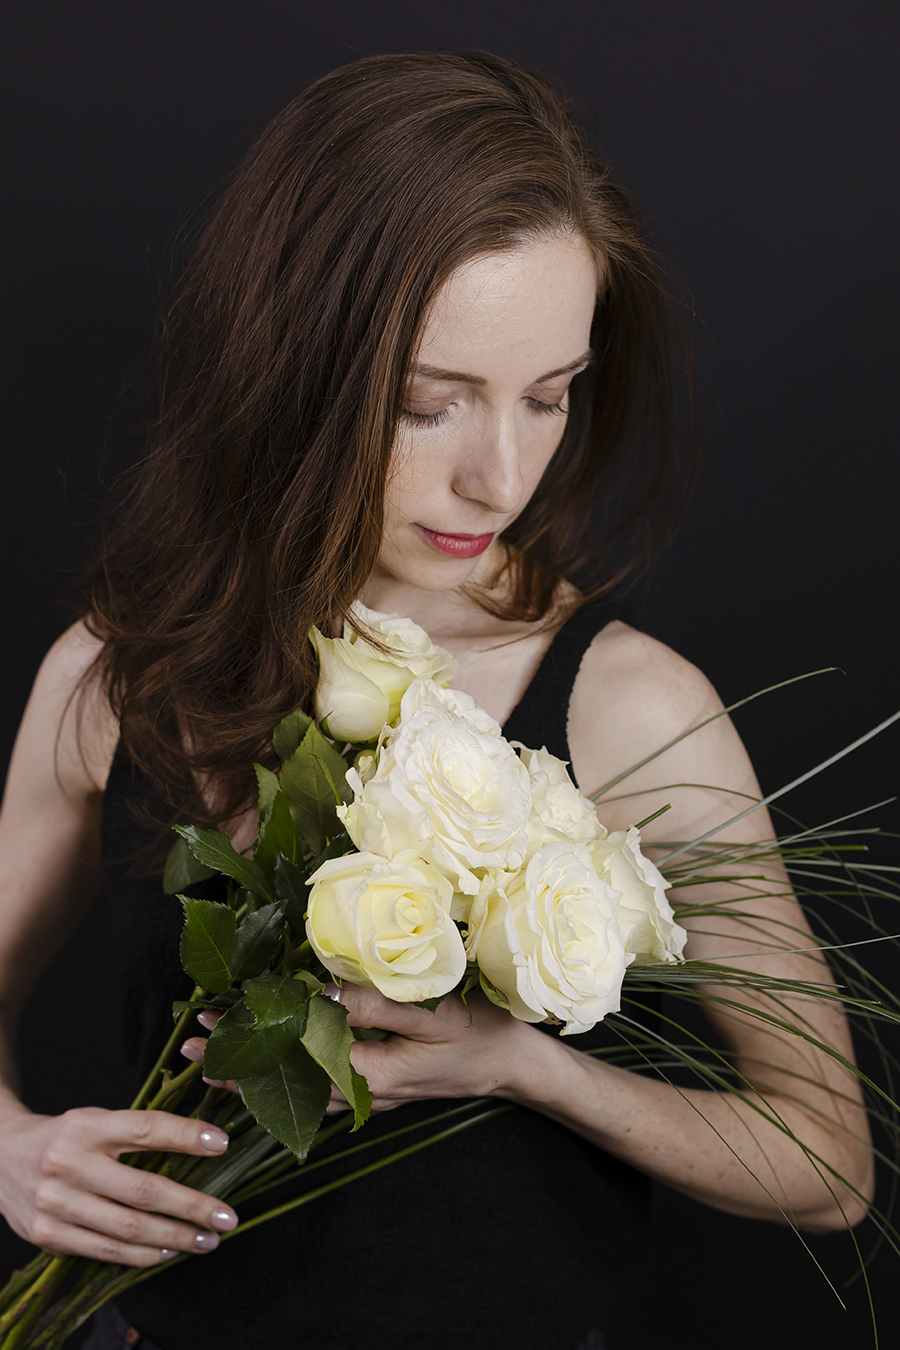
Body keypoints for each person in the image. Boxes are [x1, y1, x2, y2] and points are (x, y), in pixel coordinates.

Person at [0, 50, 874, 1350]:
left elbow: (827, 1160)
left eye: (551, 396)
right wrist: (9, 1148)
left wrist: (526, 1065)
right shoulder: (115, 674)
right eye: (428, 404)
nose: (501, 478)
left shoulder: (629, 705)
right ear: (290, 368)